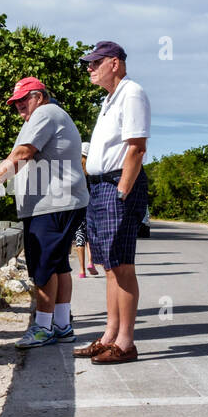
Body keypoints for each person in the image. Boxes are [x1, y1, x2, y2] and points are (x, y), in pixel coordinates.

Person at [0, 77, 88, 348]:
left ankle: (42, 327)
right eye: (15, 102)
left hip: (52, 204)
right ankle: (62, 325)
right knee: (58, 266)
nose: (18, 106)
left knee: (42, 267)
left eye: (23, 99)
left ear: (39, 96)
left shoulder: (45, 113)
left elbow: (22, 153)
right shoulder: (47, 116)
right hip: (59, 203)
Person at [75, 41, 150, 365]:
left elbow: (136, 146)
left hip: (117, 185)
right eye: (89, 64)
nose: (89, 68)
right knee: (109, 266)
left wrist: (122, 191)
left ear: (115, 63)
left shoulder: (132, 93)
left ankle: (126, 342)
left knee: (122, 266)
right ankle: (109, 336)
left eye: (95, 63)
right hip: (101, 186)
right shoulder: (110, 99)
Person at [73, 143, 98, 278]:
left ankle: (82, 270)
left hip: (78, 207)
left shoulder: (75, 171)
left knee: (80, 237)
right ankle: (91, 262)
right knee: (91, 236)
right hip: (91, 207)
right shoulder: (93, 171)